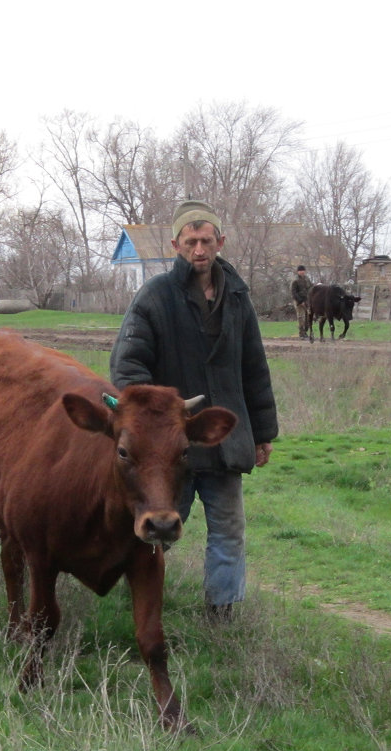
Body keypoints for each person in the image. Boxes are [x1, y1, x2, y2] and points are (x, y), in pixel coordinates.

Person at [110, 199, 278, 622]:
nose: (198, 250)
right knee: (156, 532)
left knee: (228, 532)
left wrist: (262, 434)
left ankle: (222, 614)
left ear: (220, 242)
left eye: (206, 241)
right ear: (175, 244)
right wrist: (156, 420)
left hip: (222, 442)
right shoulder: (154, 296)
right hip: (169, 451)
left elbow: (254, 368)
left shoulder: (237, 297)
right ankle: (143, 612)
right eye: (190, 242)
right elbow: (127, 365)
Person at [291, 265, 313, 338]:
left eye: (303, 270)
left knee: (308, 316)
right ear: (298, 272)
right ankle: (301, 333)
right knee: (301, 317)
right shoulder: (295, 280)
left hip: (307, 300)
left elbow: (310, 288)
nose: (302, 272)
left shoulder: (307, 279)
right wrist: (300, 301)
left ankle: (306, 331)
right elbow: (293, 292)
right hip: (298, 301)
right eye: (300, 271)